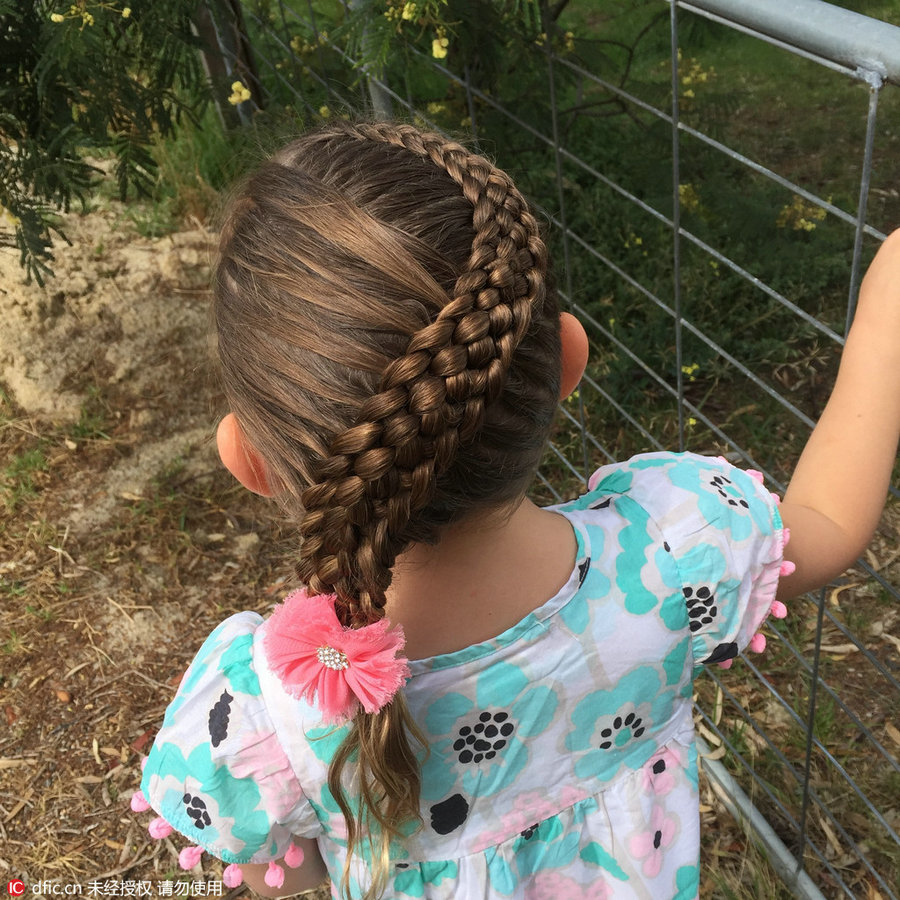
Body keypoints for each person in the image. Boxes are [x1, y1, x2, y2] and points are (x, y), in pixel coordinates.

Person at [131, 121, 900, 900]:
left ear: (251, 463)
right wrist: (884, 321)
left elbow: (278, 878)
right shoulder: (672, 558)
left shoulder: (268, 713)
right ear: (567, 361)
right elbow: (828, 524)